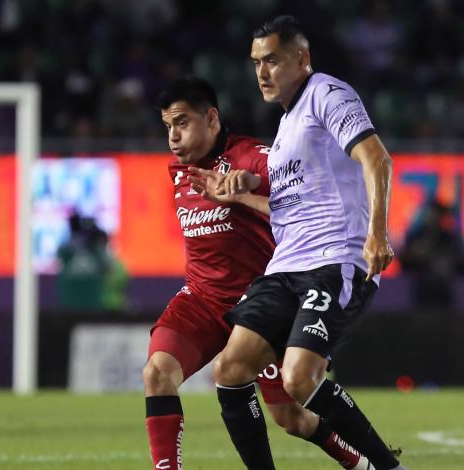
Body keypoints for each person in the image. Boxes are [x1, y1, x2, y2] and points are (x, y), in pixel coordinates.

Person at [206, 16, 407, 469]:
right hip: (284, 267)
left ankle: (388, 468)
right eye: (256, 62)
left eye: (272, 60)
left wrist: (377, 232)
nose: (262, 72)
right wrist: (238, 196)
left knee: (299, 378)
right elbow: (288, 210)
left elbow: (376, 158)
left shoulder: (328, 94)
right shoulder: (284, 132)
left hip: (334, 259)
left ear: (302, 58)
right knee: (231, 369)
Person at [144, 76, 369, 469]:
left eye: (182, 123)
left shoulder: (252, 155)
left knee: (291, 419)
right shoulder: (180, 172)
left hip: (258, 307)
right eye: (167, 127)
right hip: (201, 298)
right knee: (157, 373)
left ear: (211, 118)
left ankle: (360, 462)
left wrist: (246, 185)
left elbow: (287, 182)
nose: (173, 137)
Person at [399, 199, 464, 310]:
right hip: (422, 296)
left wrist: (448, 262)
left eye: (436, 214)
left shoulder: (450, 240)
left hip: (444, 296)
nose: (432, 217)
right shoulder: (417, 237)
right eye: (430, 213)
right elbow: (404, 264)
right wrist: (415, 255)